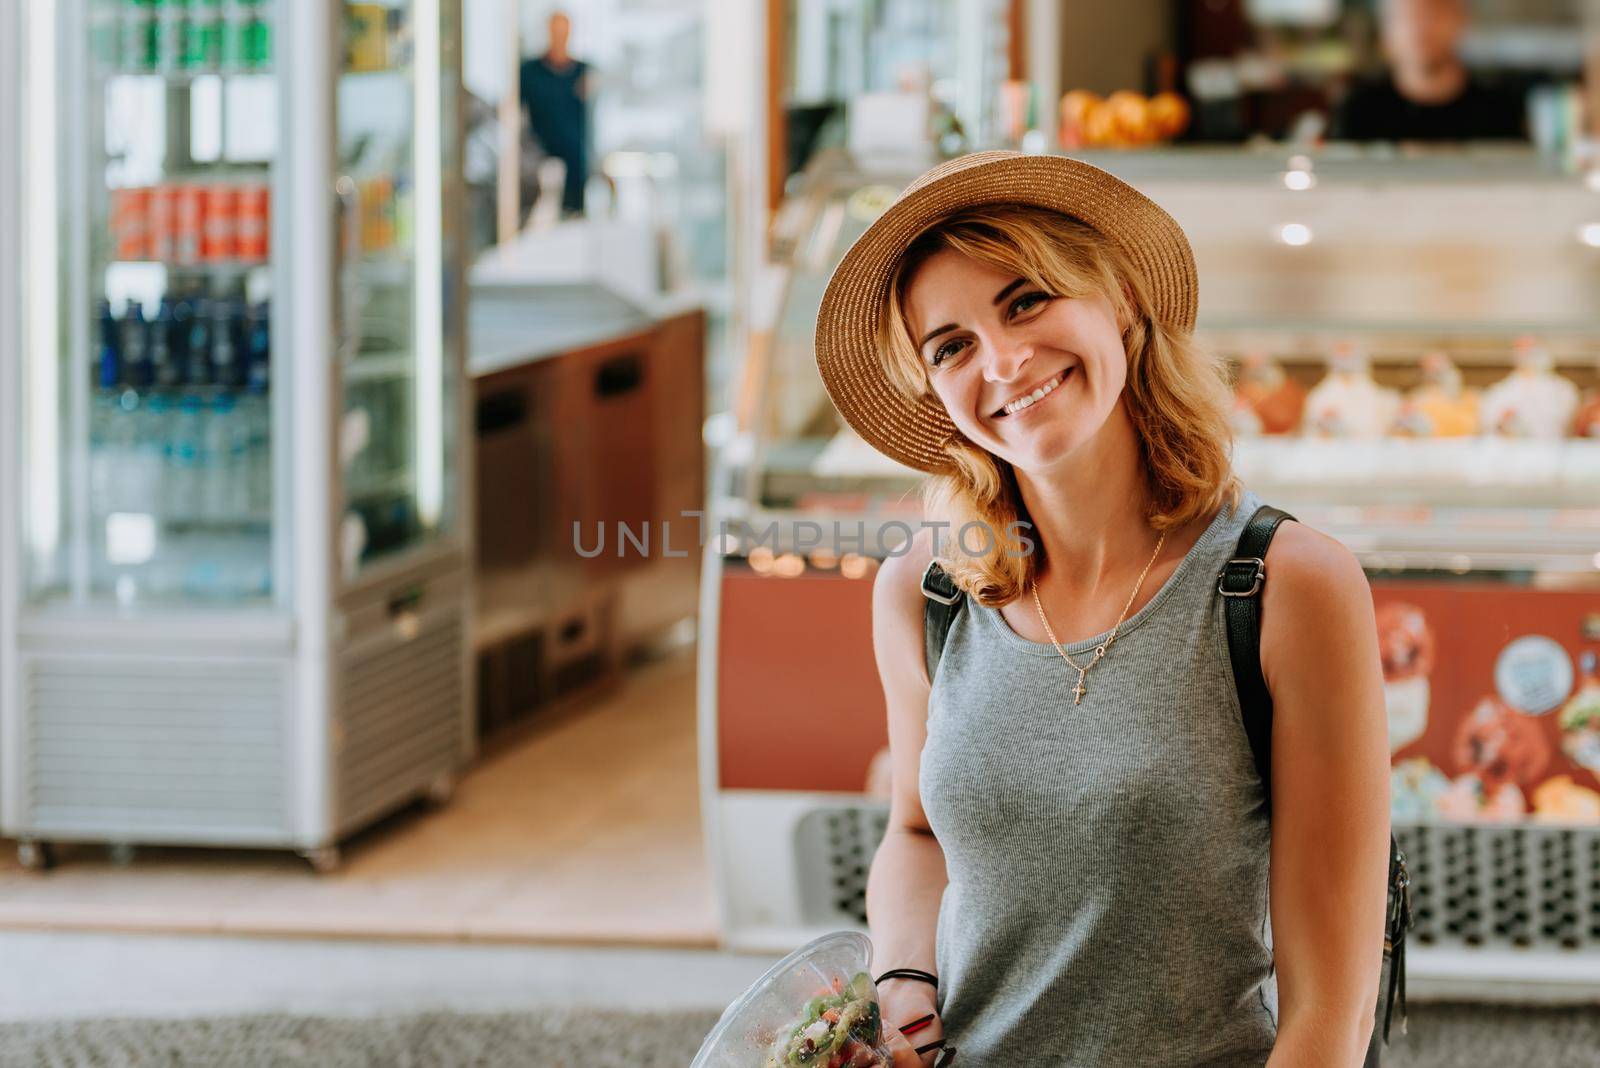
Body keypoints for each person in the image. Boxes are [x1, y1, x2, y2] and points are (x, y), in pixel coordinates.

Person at [812, 152, 1391, 1066]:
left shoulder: (1284, 586)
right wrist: (902, 983)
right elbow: (915, 833)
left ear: (1119, 298)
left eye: (1027, 299)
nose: (1002, 360)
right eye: (951, 345)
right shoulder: (927, 591)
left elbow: (1331, 1017)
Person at [1331, 0, 1526, 141]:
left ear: (1461, 20)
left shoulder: (1499, 111)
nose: (1420, 28)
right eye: (1407, 17)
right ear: (1385, 30)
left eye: (1433, 14)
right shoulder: (1358, 112)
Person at [519, 11, 590, 218]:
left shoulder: (584, 74)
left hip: (576, 170)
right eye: (555, 31)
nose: (560, 37)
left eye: (564, 31)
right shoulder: (529, 73)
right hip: (539, 161)